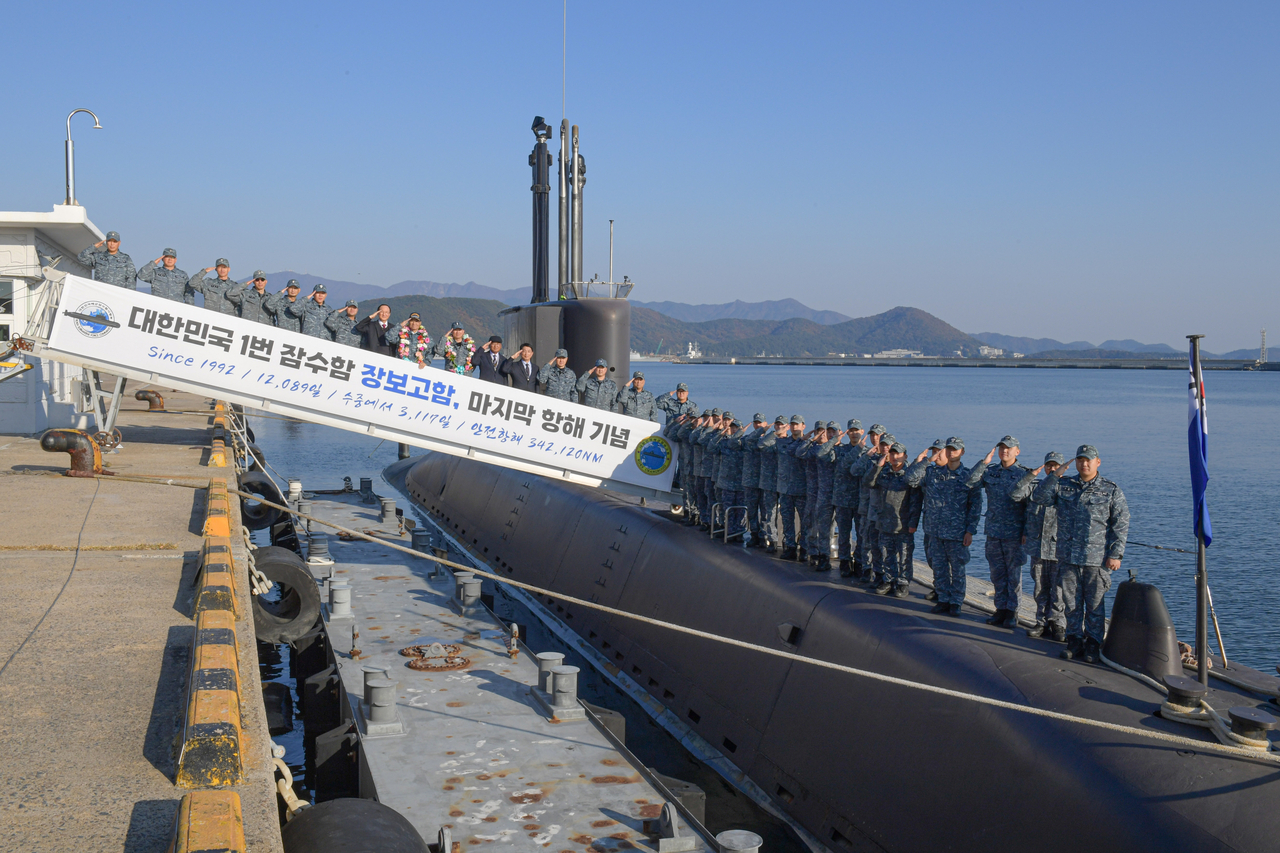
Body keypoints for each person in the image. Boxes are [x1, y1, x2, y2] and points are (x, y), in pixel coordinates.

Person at [1032, 444, 1129, 663]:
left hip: (1097, 560)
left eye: (1088, 460)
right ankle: (1074, 639)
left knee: (1094, 604)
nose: (1084, 464)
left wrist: (1116, 554)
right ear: (1075, 463)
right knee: (1071, 603)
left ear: (1097, 462)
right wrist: (1056, 474)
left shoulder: (1110, 490)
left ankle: (1093, 643)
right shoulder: (1064, 486)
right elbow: (1038, 497)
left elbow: (1120, 524)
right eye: (1080, 460)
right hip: (1068, 557)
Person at [904, 436, 983, 616]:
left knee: (957, 569)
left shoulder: (968, 476)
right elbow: (910, 479)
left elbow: (975, 505)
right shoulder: (932, 473)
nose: (951, 452)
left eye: (955, 449)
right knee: (939, 568)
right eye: (949, 449)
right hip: (935, 530)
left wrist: (971, 530)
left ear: (962, 452)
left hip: (957, 532)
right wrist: (927, 460)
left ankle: (956, 601)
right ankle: (943, 598)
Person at [966, 435, 1036, 629]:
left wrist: (1027, 532)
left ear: (1017, 451)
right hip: (994, 531)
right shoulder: (991, 472)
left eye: (1009, 448)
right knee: (997, 574)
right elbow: (970, 482)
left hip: (1014, 534)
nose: (1005, 451)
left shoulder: (1024, 475)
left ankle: (1013, 612)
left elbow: (1030, 507)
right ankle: (1000, 609)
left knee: (1013, 575)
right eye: (1002, 448)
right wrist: (983, 462)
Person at [863, 440, 922, 598]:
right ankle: (889, 580)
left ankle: (902, 582)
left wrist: (913, 523)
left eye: (898, 454)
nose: (895, 457)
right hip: (885, 520)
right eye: (892, 453)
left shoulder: (909, 476)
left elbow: (916, 502)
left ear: (905, 456)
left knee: (904, 555)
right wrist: (878, 467)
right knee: (886, 553)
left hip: (902, 522)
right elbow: (868, 482)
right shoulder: (884, 472)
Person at [1024, 451, 1066, 641]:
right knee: (1040, 587)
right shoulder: (1035, 488)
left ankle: (1058, 624)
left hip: (1058, 549)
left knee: (1058, 589)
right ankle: (1041, 622)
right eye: (1049, 465)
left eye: (1056, 466)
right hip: (1038, 546)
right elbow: (1019, 500)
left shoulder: (1067, 489)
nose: (1052, 468)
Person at [831, 420, 866, 577]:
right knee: (844, 534)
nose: (854, 433)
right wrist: (857, 449)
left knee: (861, 534)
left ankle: (859, 561)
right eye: (851, 431)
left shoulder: (869, 452)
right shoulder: (842, 450)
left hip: (860, 500)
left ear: (862, 432)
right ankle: (845, 561)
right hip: (843, 498)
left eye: (856, 430)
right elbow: (844, 466)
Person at [753, 416, 788, 551]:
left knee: (786, 515)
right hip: (769, 483)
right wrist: (774, 434)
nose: (780, 427)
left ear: (787, 427)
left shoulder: (790, 442)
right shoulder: (769, 441)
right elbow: (760, 444)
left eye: (782, 425)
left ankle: (787, 542)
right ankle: (772, 540)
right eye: (777, 425)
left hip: (785, 484)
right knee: (770, 514)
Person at [776, 415, 807, 560]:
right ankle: (790, 546)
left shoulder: (807, 444)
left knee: (805, 520)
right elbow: (764, 443)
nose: (795, 427)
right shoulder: (783, 442)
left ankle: (805, 548)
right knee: (787, 520)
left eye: (797, 425)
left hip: (801, 489)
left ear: (803, 426)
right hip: (786, 488)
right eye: (792, 425)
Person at [740, 414, 768, 547]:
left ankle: (763, 537)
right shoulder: (748, 439)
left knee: (765, 511)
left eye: (760, 423)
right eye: (756, 423)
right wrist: (761, 431)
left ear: (765, 424)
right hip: (750, 481)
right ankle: (754, 534)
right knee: (751, 510)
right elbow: (750, 440)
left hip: (764, 482)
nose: (758, 425)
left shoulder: (770, 440)